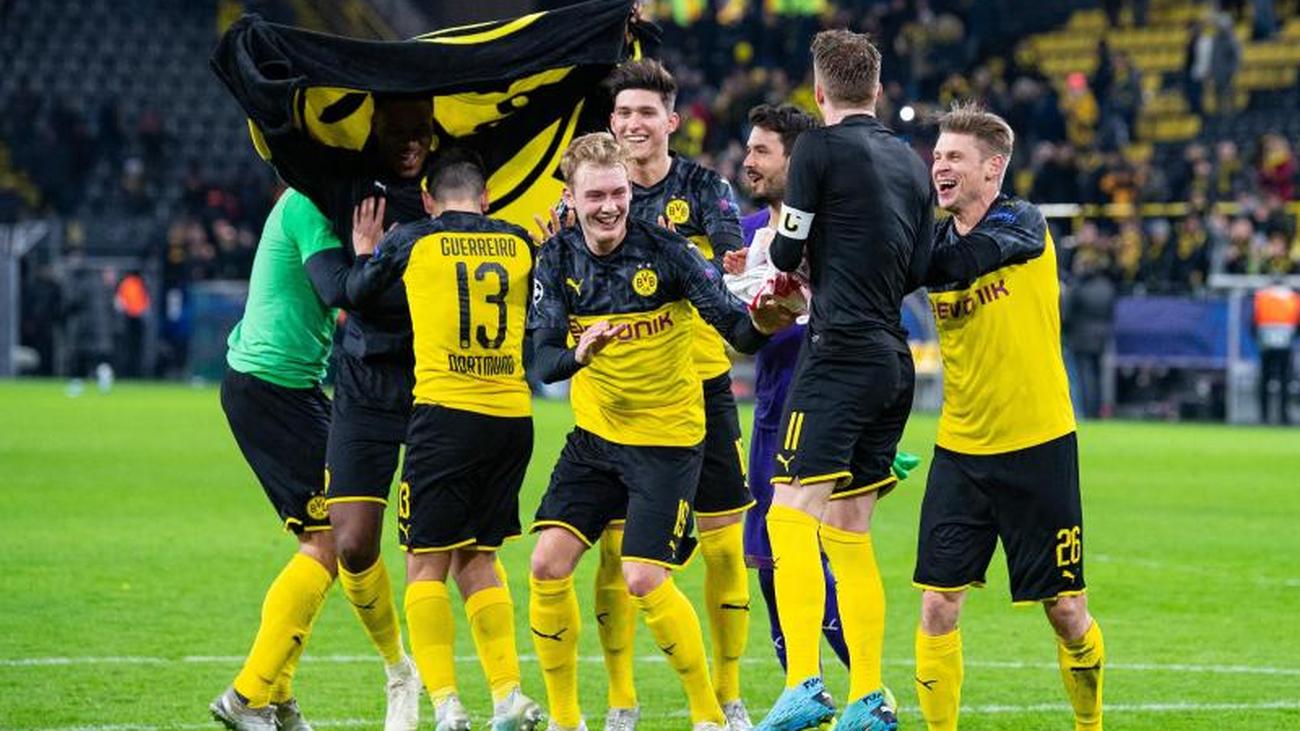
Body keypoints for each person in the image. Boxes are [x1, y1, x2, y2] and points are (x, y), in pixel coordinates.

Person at [526, 132, 792, 731]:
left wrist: (767, 320)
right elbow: (543, 362)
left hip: (667, 442)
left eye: (617, 193)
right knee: (546, 564)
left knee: (643, 576)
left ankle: (708, 714)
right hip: (597, 440)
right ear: (571, 198)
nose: (609, 207)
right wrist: (579, 355)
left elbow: (736, 329)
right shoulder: (556, 259)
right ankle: (567, 720)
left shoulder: (669, 252)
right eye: (595, 196)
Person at [757, 29, 934, 731]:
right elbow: (918, 267)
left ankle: (804, 680)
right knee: (848, 530)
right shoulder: (912, 163)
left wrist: (796, 259)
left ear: (819, 92)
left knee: (787, 513)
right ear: (878, 90)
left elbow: (788, 247)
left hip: (838, 352)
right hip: (894, 359)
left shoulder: (817, 149)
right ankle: (868, 696)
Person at [914, 103, 1104, 731]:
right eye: (937, 156)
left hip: (1038, 443)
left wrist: (891, 251)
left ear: (993, 168)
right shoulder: (932, 240)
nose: (939, 166)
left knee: (1065, 610)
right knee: (938, 605)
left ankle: (1090, 725)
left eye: (954, 157)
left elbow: (960, 264)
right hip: (960, 449)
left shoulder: (1023, 223)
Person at [344, 150, 543, 731]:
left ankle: (447, 705)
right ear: (486, 199)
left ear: (428, 200)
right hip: (511, 417)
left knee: (424, 564)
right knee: (480, 557)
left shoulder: (414, 240)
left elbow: (358, 292)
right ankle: (508, 695)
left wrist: (365, 251)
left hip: (444, 416)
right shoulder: (517, 242)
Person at [598, 59, 753, 731]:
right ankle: (621, 699)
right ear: (612, 122)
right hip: (621, 397)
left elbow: (730, 264)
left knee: (724, 547)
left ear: (671, 120)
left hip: (702, 384)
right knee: (615, 552)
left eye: (646, 112)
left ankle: (728, 693)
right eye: (624, 112)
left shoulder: (705, 188)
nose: (634, 123)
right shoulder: (591, 192)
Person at [210, 189, 386, 731]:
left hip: (289, 387)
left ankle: (276, 694)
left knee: (322, 540)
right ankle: (248, 695)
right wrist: (370, 253)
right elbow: (337, 288)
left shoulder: (319, 205)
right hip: (271, 387)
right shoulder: (306, 205)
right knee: (330, 541)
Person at [316, 94, 438, 731]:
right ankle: (399, 668)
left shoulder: (450, 190)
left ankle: (453, 693)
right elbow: (340, 292)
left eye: (421, 131)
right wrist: (368, 265)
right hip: (364, 386)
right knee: (353, 542)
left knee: (438, 548)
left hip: (433, 384)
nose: (411, 142)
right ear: (374, 127)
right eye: (398, 130)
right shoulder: (346, 188)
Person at [1253, 278, 1299, 425]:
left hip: (1266, 342)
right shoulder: (1292, 297)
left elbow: (1254, 321)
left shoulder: (1262, 297)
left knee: (1264, 380)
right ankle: (1283, 416)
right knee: (1285, 381)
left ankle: (1263, 416)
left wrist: (1258, 337)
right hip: (1285, 342)